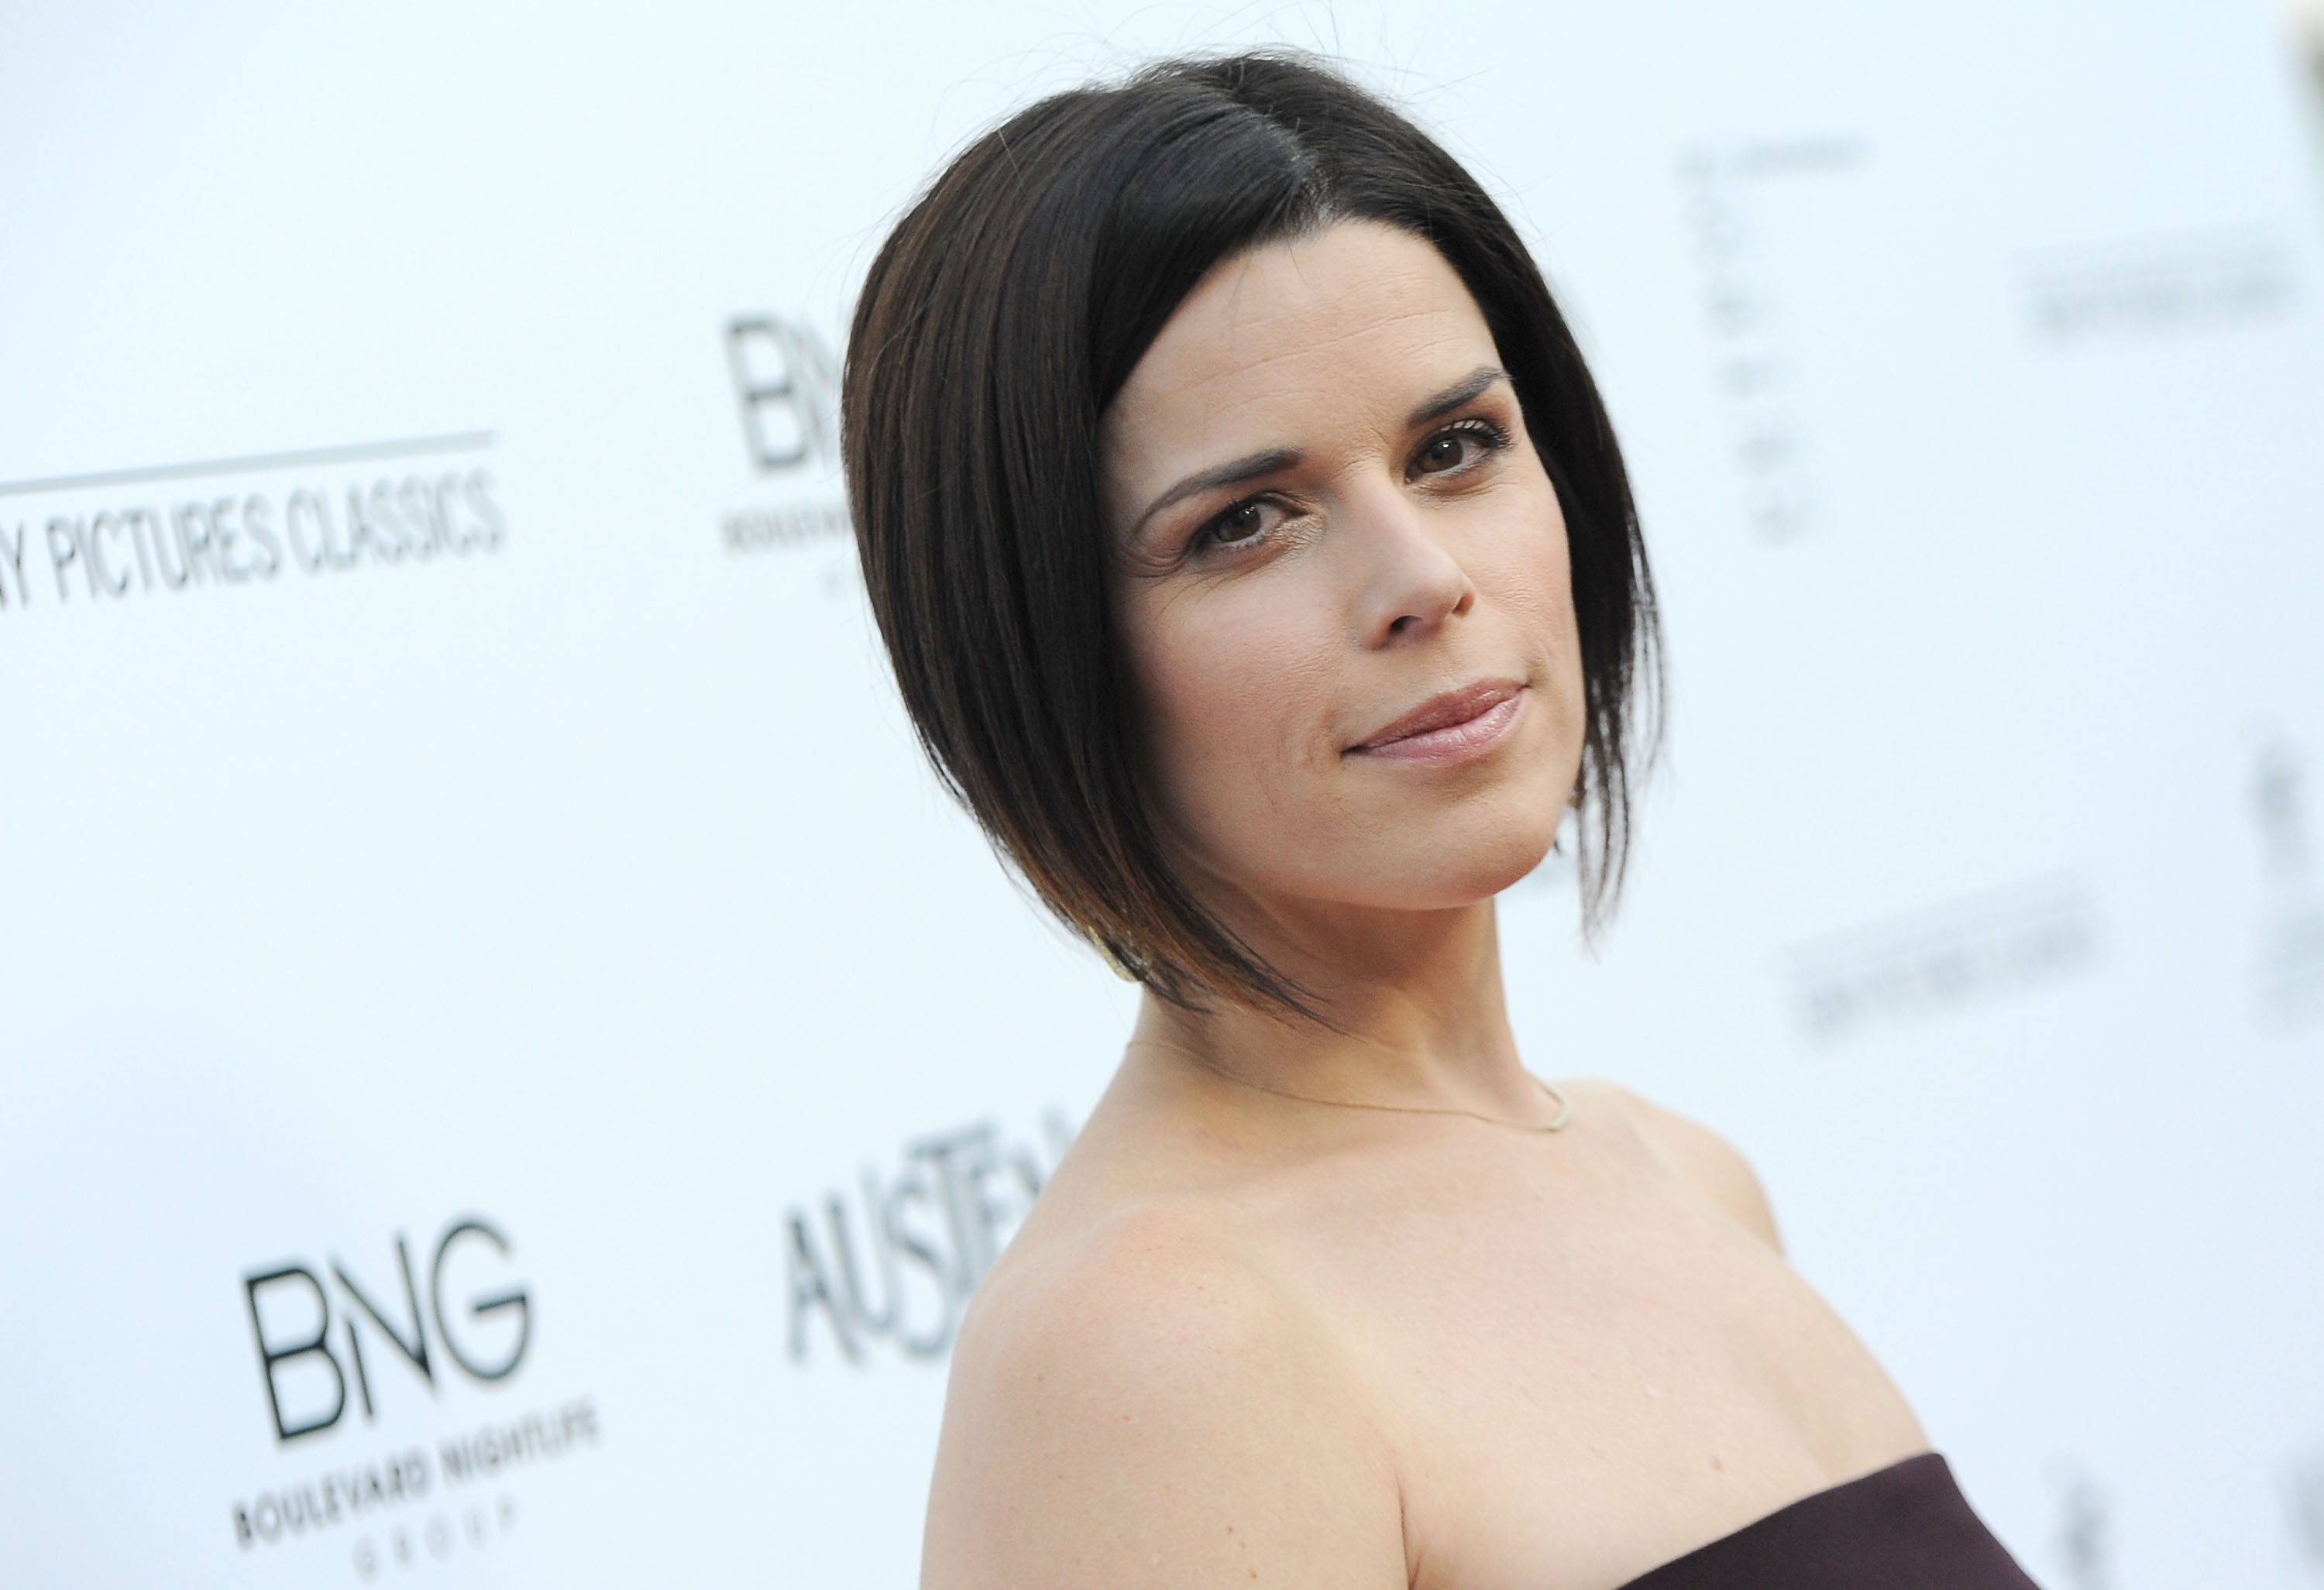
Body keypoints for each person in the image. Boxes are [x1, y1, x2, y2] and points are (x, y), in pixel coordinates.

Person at [843, 51, 2036, 1590]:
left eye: (1456, 447)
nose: (1423, 578)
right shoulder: (1152, 1349)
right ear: (1037, 651)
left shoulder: (1688, 1178)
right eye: (1246, 522)